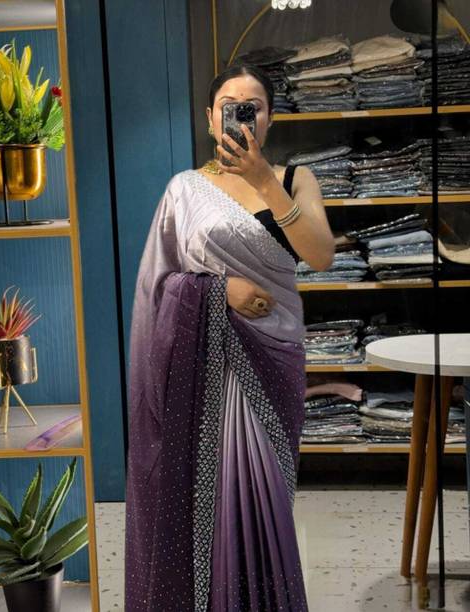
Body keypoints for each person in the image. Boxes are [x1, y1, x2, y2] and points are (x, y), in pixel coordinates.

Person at [124, 64, 334, 612]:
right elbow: (158, 285)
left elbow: (320, 255)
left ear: (269, 118)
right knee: (210, 498)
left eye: (253, 107)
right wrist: (220, 292)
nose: (241, 116)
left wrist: (264, 181)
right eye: (229, 106)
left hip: (273, 357)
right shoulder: (185, 190)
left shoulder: (295, 179)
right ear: (209, 118)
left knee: (266, 497)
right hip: (204, 367)